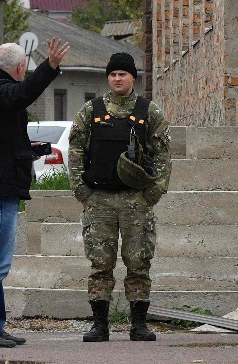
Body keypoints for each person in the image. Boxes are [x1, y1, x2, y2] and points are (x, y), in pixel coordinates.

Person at [0, 36, 70, 349]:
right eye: (26, 69)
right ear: (20, 67)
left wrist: (28, 149)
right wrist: (50, 67)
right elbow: (22, 94)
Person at [67, 51, 171, 343]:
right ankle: (100, 326)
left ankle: (138, 325)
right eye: (112, 74)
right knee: (100, 264)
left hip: (135, 201)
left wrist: (153, 192)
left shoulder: (149, 112)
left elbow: (162, 154)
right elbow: (75, 152)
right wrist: (81, 190)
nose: (116, 79)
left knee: (139, 262)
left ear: (132, 78)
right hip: (99, 200)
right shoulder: (91, 110)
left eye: (122, 74)